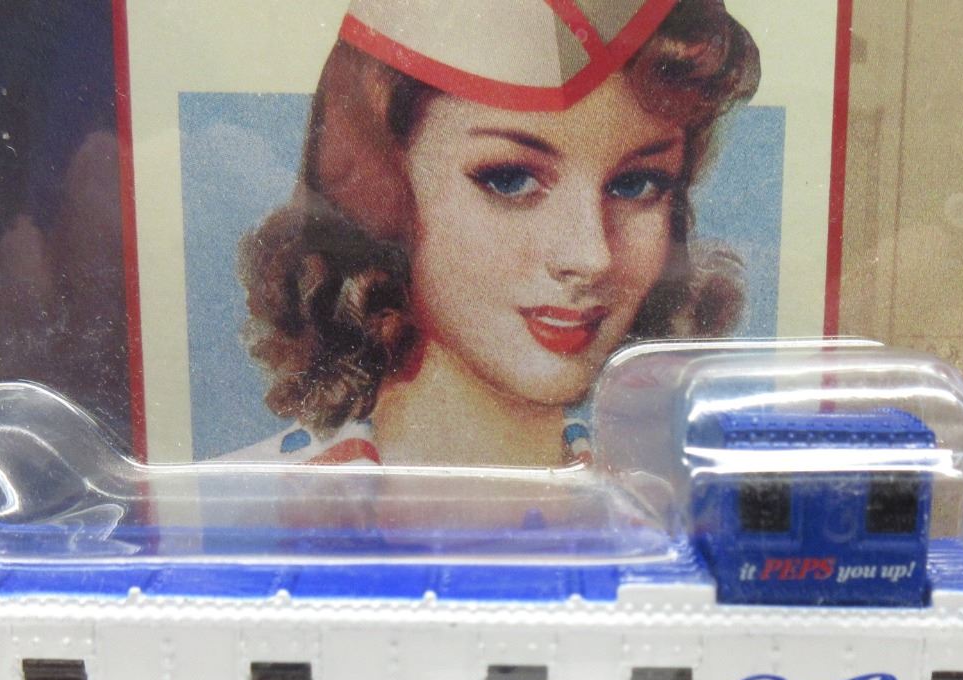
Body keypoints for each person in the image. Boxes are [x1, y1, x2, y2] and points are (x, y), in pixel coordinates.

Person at [235, 0, 760, 467]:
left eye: (637, 184)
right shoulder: (247, 508)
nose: (592, 255)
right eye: (510, 180)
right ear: (382, 192)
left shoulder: (677, 505)